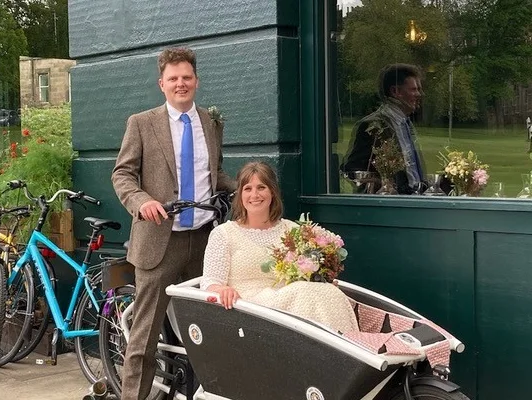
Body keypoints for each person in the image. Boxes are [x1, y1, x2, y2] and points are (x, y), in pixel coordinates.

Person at [111, 47, 236, 400]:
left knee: (205, 332)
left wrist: (246, 188)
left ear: (196, 81)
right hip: (159, 243)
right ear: (161, 84)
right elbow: (123, 174)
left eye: (187, 77)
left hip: (203, 240)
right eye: (173, 79)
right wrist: (142, 202)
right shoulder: (142, 122)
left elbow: (215, 174)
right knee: (144, 336)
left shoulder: (211, 122)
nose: (181, 84)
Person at [201, 161, 360, 334]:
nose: (254, 194)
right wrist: (222, 289)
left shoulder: (291, 230)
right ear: (240, 195)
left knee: (329, 291)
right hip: (250, 308)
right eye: (248, 189)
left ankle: (346, 349)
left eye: (261, 187)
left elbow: (308, 274)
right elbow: (210, 282)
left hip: (291, 303)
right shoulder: (224, 234)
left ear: (272, 192)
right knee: (305, 292)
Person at [340, 63, 430, 195]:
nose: (419, 94)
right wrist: (384, 186)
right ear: (396, 92)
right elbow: (351, 169)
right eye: (414, 89)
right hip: (391, 207)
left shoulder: (405, 123)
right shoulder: (373, 126)